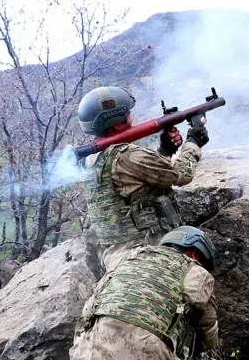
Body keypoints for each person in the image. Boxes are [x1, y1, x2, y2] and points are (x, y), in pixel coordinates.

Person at [69, 226, 220, 360]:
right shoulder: (196, 273)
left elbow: (87, 316)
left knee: (85, 346)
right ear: (195, 253)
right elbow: (208, 333)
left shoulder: (126, 259)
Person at [77, 86, 211, 272]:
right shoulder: (127, 155)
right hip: (149, 252)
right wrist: (193, 143)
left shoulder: (90, 159)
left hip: (118, 257)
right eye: (127, 113)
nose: (131, 117)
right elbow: (181, 175)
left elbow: (139, 179)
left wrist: (165, 150)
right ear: (116, 122)